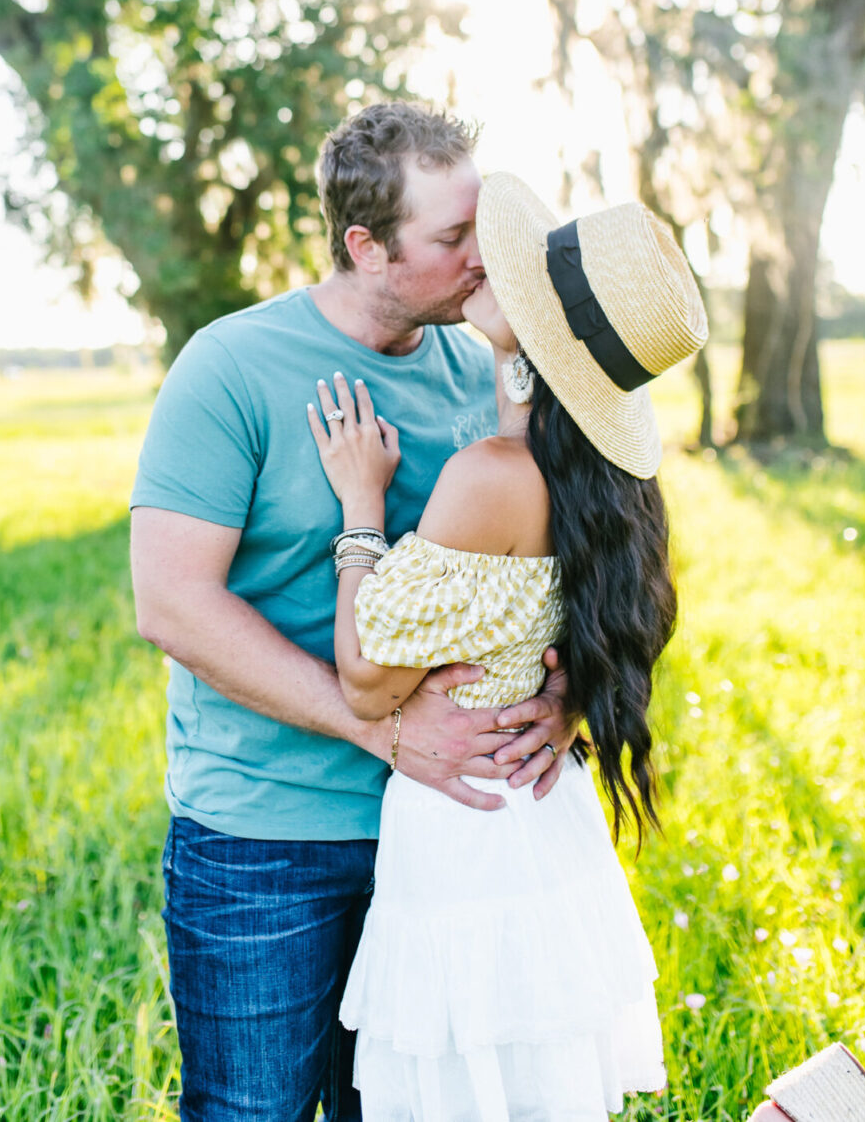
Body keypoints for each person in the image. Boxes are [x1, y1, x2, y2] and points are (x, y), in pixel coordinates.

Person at [129, 104, 580, 1122]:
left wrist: (563, 694)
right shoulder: (230, 367)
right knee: (255, 1112)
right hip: (262, 838)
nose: (484, 259)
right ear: (365, 246)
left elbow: (537, 575)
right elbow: (171, 602)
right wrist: (375, 726)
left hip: (442, 839)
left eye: (485, 228)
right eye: (454, 238)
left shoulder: (486, 379)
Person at [306, 171, 709, 1121]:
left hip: (468, 833)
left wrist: (361, 512)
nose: (488, 259)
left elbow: (366, 681)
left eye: (523, 274)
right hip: (535, 824)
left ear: (546, 336)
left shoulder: (492, 476)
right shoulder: (598, 479)